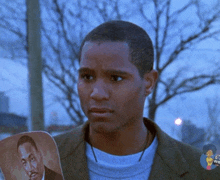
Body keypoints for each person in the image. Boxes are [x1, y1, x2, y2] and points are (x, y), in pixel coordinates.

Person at [54, 20, 220, 179]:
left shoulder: (204, 170)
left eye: (115, 78)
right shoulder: (39, 160)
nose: (97, 93)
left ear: (149, 82)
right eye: (87, 76)